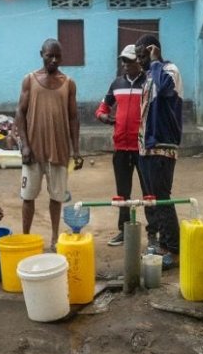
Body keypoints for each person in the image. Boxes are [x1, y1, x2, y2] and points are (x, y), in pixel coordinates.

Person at [15, 38, 83, 249]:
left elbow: (73, 117)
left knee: (57, 197)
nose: (54, 60)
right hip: (33, 152)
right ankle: (26, 237)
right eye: (49, 55)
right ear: (41, 54)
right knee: (28, 197)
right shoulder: (30, 79)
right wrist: (24, 145)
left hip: (59, 150)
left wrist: (76, 151)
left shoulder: (69, 83)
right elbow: (20, 112)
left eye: (58, 56)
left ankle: (54, 238)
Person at [135, 34, 183, 270]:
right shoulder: (148, 76)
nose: (140, 61)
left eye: (144, 55)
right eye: (138, 56)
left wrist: (155, 62)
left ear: (155, 51)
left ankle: (174, 249)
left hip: (163, 145)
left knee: (163, 198)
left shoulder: (168, 70)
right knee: (153, 199)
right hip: (147, 146)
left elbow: (165, 90)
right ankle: (163, 243)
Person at [95, 44, 147, 246]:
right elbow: (101, 108)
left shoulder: (148, 83)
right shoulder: (116, 84)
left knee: (148, 193)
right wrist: (104, 118)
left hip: (143, 149)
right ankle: (123, 231)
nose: (125, 65)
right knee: (122, 193)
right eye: (123, 61)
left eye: (129, 61)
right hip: (121, 148)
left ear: (139, 62)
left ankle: (153, 234)